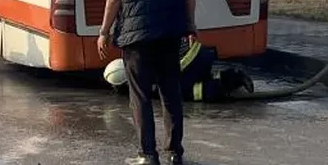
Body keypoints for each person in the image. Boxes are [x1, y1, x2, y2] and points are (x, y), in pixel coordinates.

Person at [97, 0, 196, 165]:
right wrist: (190, 24)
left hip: (136, 37)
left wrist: (104, 32)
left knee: (140, 95)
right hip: (169, 32)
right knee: (171, 92)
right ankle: (175, 152)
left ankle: (147, 155)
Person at [104, 39, 254, 103]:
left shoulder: (142, 72)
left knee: (182, 92)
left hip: (192, 59)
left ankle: (231, 81)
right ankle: (227, 78)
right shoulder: (135, 58)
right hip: (196, 54)